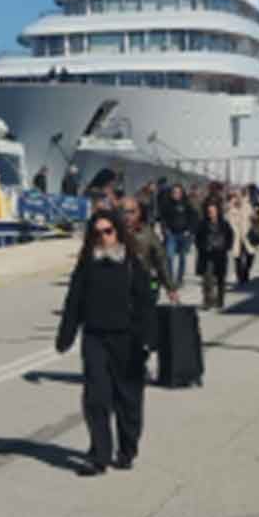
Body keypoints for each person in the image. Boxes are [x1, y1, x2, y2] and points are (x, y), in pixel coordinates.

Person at [56, 209, 156, 476]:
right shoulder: (87, 264)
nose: (103, 237)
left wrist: (149, 339)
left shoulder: (132, 265)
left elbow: (146, 303)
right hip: (95, 337)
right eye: (97, 233)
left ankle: (127, 449)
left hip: (128, 339)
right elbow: (74, 301)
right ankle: (99, 455)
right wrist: (65, 335)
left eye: (108, 231)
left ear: (118, 232)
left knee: (128, 400)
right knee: (96, 398)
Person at [121, 197, 177, 305]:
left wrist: (170, 288)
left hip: (148, 282)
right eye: (124, 212)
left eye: (132, 212)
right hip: (123, 284)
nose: (127, 216)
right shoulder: (113, 233)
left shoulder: (148, 234)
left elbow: (161, 261)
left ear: (139, 213)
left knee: (149, 306)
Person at [195, 200, 234, 310]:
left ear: (217, 211)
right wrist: (203, 247)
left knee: (221, 279)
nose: (210, 213)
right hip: (207, 255)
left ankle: (220, 301)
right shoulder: (202, 224)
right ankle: (207, 300)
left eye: (212, 211)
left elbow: (230, 235)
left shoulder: (224, 223)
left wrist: (227, 246)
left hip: (220, 254)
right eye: (209, 211)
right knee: (207, 278)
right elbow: (197, 239)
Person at [159, 185, 197, 286]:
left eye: (178, 192)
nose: (176, 194)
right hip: (171, 234)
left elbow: (193, 218)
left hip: (184, 234)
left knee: (182, 257)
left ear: (181, 193)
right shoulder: (167, 204)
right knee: (169, 256)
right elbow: (163, 219)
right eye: (174, 192)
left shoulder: (186, 204)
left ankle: (180, 279)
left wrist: (189, 230)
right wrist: (165, 230)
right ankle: (170, 279)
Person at [227, 189, 257, 285]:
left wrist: (256, 217)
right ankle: (240, 277)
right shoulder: (230, 208)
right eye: (236, 196)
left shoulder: (247, 206)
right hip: (236, 236)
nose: (238, 198)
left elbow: (254, 217)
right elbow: (227, 221)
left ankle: (246, 271)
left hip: (247, 235)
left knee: (251, 255)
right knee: (237, 257)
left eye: (239, 196)